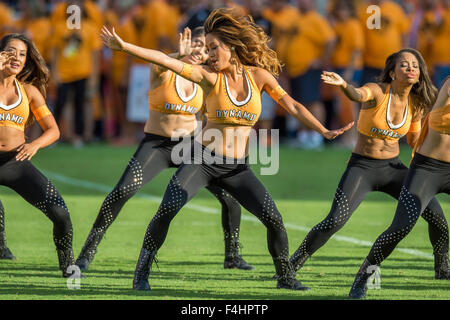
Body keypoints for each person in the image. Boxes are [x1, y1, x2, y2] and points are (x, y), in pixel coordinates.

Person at [101, 7, 353, 291]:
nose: (208, 54)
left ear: (231, 47)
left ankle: (285, 277)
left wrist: (323, 129)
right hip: (201, 160)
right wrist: (124, 47)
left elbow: (292, 105)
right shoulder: (208, 77)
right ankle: (141, 274)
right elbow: (164, 60)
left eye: (213, 48)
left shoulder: (258, 76)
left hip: (236, 167)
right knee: (167, 209)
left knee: (274, 219)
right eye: (206, 48)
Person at [76, 26, 253, 272]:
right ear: (184, 42)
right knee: (122, 191)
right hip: (157, 145)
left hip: (192, 146)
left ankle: (232, 256)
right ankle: (88, 250)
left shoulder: (206, 77)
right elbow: (159, 63)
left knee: (229, 198)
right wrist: (177, 56)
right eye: (196, 44)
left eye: (205, 48)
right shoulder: (166, 67)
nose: (199, 51)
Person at [288, 48, 449, 282]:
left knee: (437, 218)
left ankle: (442, 269)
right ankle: (293, 264)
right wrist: (344, 85)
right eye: (404, 65)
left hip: (393, 169)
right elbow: (356, 95)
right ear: (392, 73)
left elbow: (415, 141)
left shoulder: (416, 103)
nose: (411, 68)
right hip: (362, 168)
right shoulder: (376, 91)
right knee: (335, 220)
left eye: (415, 65)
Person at [349, 76, 450, 299]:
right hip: (428, 169)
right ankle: (362, 277)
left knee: (441, 227)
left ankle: (443, 269)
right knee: (401, 227)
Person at [0, 33, 77, 277]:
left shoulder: (30, 92)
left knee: (60, 213)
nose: (17, 58)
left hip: (16, 162)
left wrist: (34, 145)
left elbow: (54, 130)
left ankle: (68, 267)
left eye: (22, 54)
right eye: (11, 51)